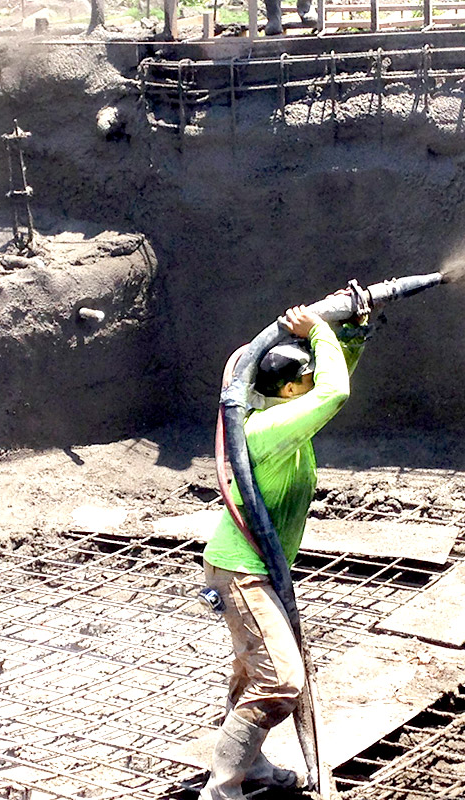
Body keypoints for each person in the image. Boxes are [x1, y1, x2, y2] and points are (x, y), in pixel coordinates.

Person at [198, 303, 366, 800]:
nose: (314, 380)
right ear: (292, 389)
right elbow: (334, 391)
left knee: (254, 672)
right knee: (280, 682)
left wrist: (352, 335)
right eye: (307, 375)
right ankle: (220, 790)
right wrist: (317, 331)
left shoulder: (285, 415)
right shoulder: (268, 431)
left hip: (253, 569)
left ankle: (249, 768)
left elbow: (329, 385)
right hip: (241, 571)